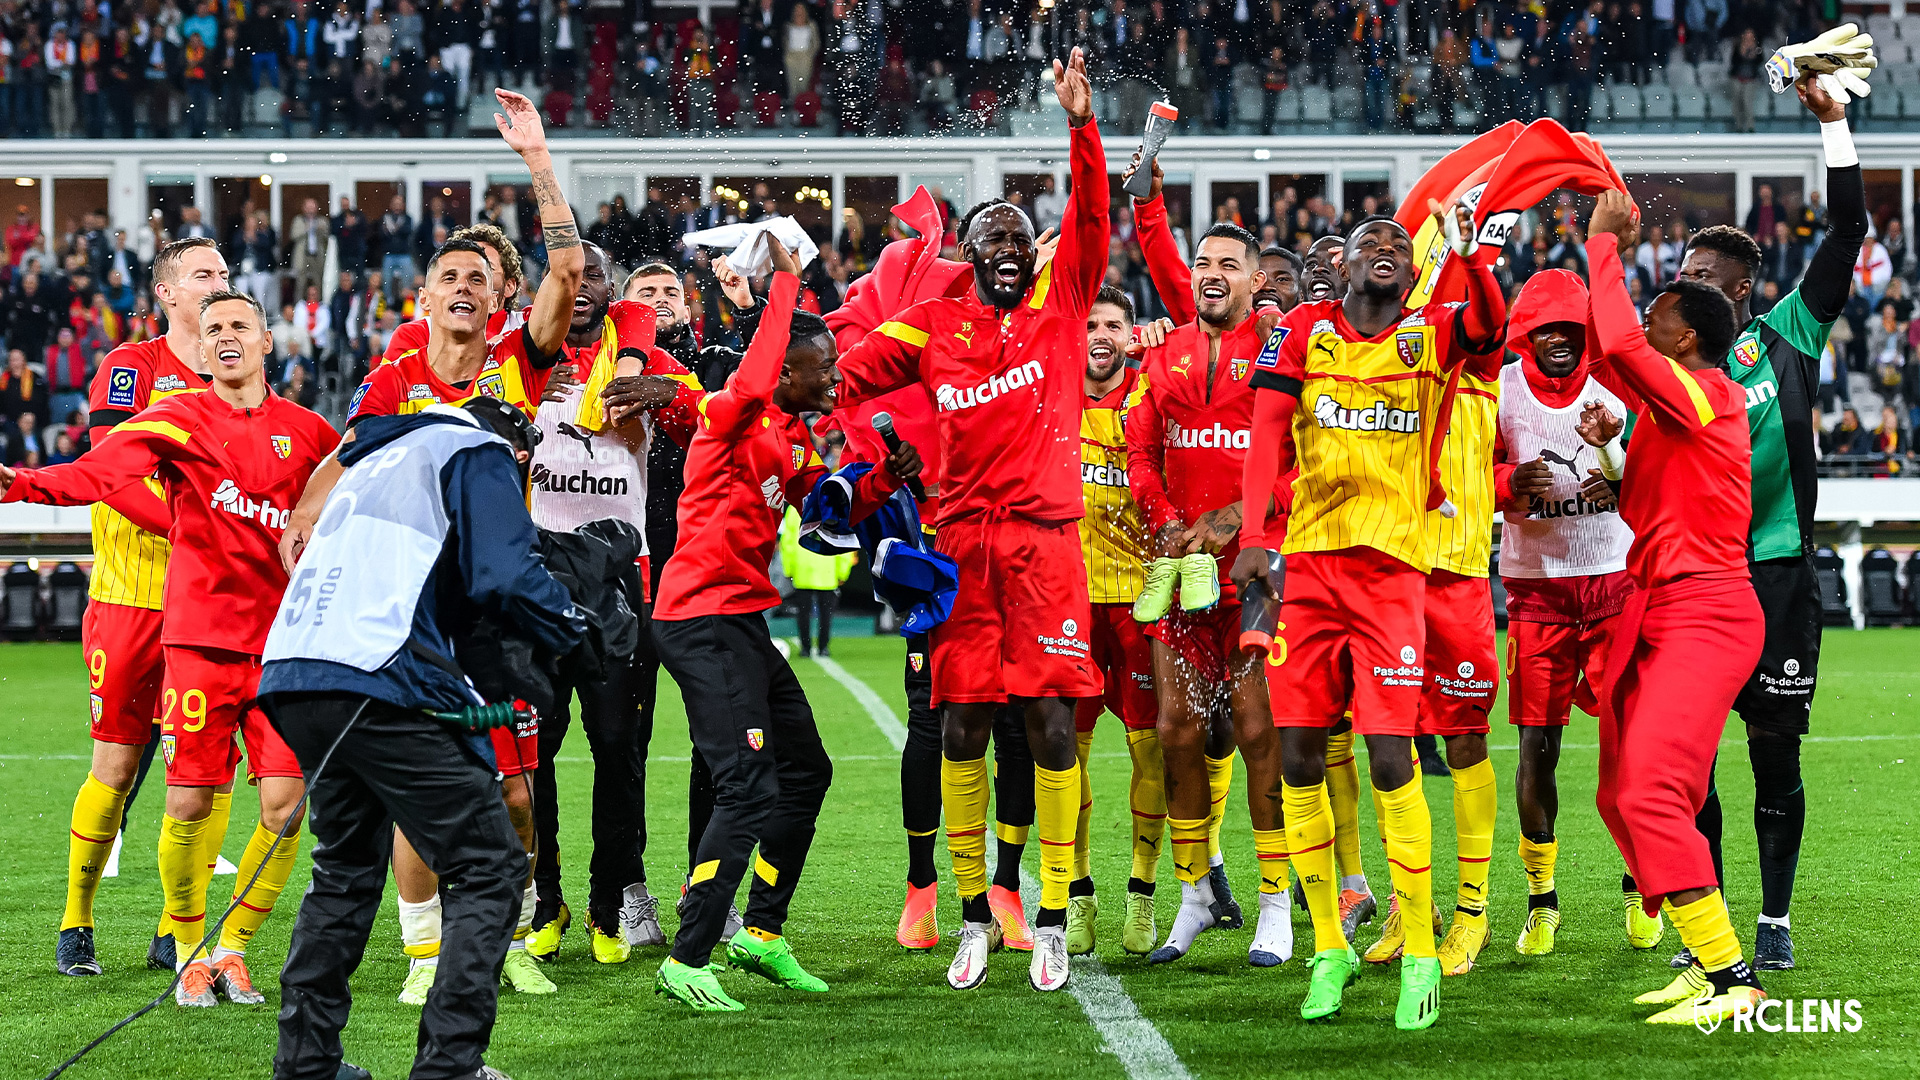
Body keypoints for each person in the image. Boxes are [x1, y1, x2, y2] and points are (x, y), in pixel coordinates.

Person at [283, 89, 584, 1005]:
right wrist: (302, 520)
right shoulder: (392, 376)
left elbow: (566, 270)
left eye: (478, 281)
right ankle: (424, 958)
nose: (462, 289)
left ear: (499, 300)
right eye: (446, 278)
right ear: (422, 298)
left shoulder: (518, 361)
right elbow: (341, 459)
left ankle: (510, 939)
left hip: (490, 605)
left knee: (516, 795)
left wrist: (536, 159)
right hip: (409, 614)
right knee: (421, 795)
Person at [831, 49, 1106, 994]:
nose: (1001, 242)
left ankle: (1059, 911)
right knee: (957, 730)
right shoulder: (935, 326)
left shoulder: (1063, 307)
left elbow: (1095, 218)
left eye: (1015, 232)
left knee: (1050, 727)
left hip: (1042, 545)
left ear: (1032, 254)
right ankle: (973, 916)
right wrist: (785, 382)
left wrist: (1080, 124)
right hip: (960, 551)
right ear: (966, 255)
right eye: (986, 232)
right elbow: (849, 369)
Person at [3, 290, 337, 1007]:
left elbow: (353, 500)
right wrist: (23, 483)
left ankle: (233, 948)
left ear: (268, 341)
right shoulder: (177, 418)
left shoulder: (309, 432)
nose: (225, 336)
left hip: (282, 648)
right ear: (199, 343)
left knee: (287, 806)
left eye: (239, 325)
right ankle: (187, 952)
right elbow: (98, 473)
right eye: (213, 326)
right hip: (200, 641)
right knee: (188, 804)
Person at [1234, 204, 1507, 1030]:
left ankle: (1420, 945)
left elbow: (1490, 332)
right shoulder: (1302, 333)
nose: (1386, 248)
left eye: (1398, 242)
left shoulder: (1433, 334)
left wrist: (1477, 261)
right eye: (1368, 242)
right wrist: (1254, 536)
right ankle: (1328, 949)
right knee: (1298, 756)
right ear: (1343, 264)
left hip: (1395, 578)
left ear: (1414, 268)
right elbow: (1265, 432)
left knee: (1392, 755)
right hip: (1310, 573)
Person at [259, 396, 585, 1080]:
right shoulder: (477, 450)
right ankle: (450, 1066)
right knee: (491, 864)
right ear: (518, 453)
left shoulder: (385, 453)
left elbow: (455, 597)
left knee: (344, 869)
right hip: (375, 673)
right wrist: (574, 627)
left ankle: (306, 1062)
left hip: (292, 668)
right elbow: (504, 575)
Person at [653, 242, 919, 1012]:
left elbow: (828, 511)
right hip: (699, 617)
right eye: (822, 366)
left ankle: (761, 934)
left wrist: (884, 480)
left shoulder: (795, 438)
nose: (834, 378)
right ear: (784, 371)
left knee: (807, 770)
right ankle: (688, 956)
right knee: (745, 786)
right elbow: (759, 363)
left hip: (739, 621)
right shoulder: (733, 413)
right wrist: (785, 284)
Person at [1673, 75, 1866, 972]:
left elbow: (1847, 234)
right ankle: (1705, 920)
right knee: (1696, 765)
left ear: (1745, 287)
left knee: (1773, 752)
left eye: (1707, 279)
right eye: (1682, 278)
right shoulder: (1660, 380)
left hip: (1780, 573)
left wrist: (1835, 130)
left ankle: (1776, 921)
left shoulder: (1788, 334)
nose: (1690, 290)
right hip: (1696, 586)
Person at [1581, 188, 1769, 1026]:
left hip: (1706, 610)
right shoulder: (1672, 410)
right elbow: (1650, 494)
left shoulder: (1713, 393)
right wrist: (1612, 449)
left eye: (1660, 315)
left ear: (1686, 337)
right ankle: (1702, 956)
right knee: (1625, 792)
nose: (1646, 325)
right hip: (1658, 607)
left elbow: (1618, 341)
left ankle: (1733, 979)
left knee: (1653, 789)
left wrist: (1603, 247)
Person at [51, 237, 228, 979]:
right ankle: (76, 922)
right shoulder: (132, 367)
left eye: (223, 274)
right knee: (117, 766)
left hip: (209, 607)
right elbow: (109, 476)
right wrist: (200, 526)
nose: (219, 285)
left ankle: (172, 930)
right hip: (129, 598)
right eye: (203, 276)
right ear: (166, 293)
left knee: (201, 772)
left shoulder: (236, 376)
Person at [524, 243, 701, 965]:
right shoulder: (521, 358)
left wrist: (666, 395)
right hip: (535, 579)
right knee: (532, 750)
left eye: (594, 275)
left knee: (618, 752)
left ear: (610, 290)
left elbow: (708, 415)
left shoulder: (649, 362)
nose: (582, 286)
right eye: (570, 275)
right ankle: (546, 899)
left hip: (620, 579)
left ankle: (606, 906)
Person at [1126, 213, 1291, 969]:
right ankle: (1194, 897)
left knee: (1260, 736)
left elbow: (1304, 454)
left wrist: (1236, 517)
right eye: (1203, 261)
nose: (1213, 272)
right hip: (1183, 571)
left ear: (1256, 280)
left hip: (1256, 573)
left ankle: (1276, 905)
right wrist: (1165, 520)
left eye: (1230, 262)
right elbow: (1142, 447)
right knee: (1175, 732)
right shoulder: (1167, 352)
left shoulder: (1279, 347)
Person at [1490, 268, 1646, 958]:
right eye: (1544, 327)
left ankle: (1644, 891)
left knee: (1633, 749)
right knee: (1536, 749)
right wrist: (1505, 485)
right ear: (1525, 332)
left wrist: (1616, 465)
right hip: (1537, 593)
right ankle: (1542, 902)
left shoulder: (1618, 381)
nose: (1558, 340)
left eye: (1570, 328)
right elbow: (1463, 473)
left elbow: (1657, 463)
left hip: (1614, 585)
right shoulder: (1501, 391)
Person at [1062, 284, 1162, 957]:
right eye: (1091, 323)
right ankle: (1076, 895)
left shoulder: (1154, 393)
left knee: (1147, 748)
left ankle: (1142, 895)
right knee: (1064, 754)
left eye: (1115, 324)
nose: (1101, 334)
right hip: (1065, 598)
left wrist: (1165, 348)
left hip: (1141, 597)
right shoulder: (1052, 395)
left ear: (1132, 334)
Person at [780, 505, 854, 657]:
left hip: (802, 568)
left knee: (803, 612)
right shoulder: (835, 507)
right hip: (828, 568)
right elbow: (844, 541)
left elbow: (787, 542)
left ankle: (805, 648)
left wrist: (789, 568)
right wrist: (842, 571)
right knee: (826, 612)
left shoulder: (795, 509)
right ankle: (823, 647)